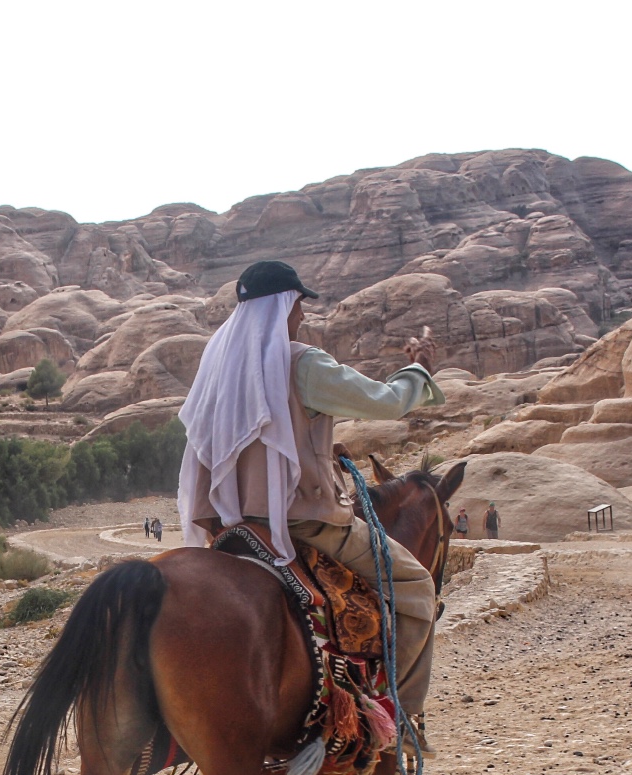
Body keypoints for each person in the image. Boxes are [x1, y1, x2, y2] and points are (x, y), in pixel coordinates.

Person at [179, 258, 442, 739]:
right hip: (305, 524)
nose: (301, 315)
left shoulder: (218, 367)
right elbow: (385, 402)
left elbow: (242, 442)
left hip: (231, 526)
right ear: (288, 304)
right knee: (417, 588)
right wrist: (418, 369)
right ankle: (397, 713)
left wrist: (319, 445)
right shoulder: (301, 362)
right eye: (299, 304)